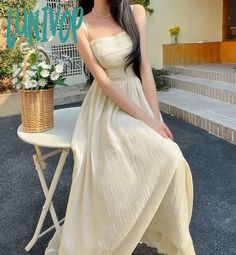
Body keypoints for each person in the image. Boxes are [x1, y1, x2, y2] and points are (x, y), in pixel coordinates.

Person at [44, 0, 196, 254]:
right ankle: (117, 226)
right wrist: (145, 120)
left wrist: (155, 118)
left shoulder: (135, 12)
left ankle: (171, 237)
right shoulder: (79, 23)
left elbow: (144, 66)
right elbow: (103, 80)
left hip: (137, 95)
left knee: (171, 155)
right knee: (122, 161)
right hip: (106, 105)